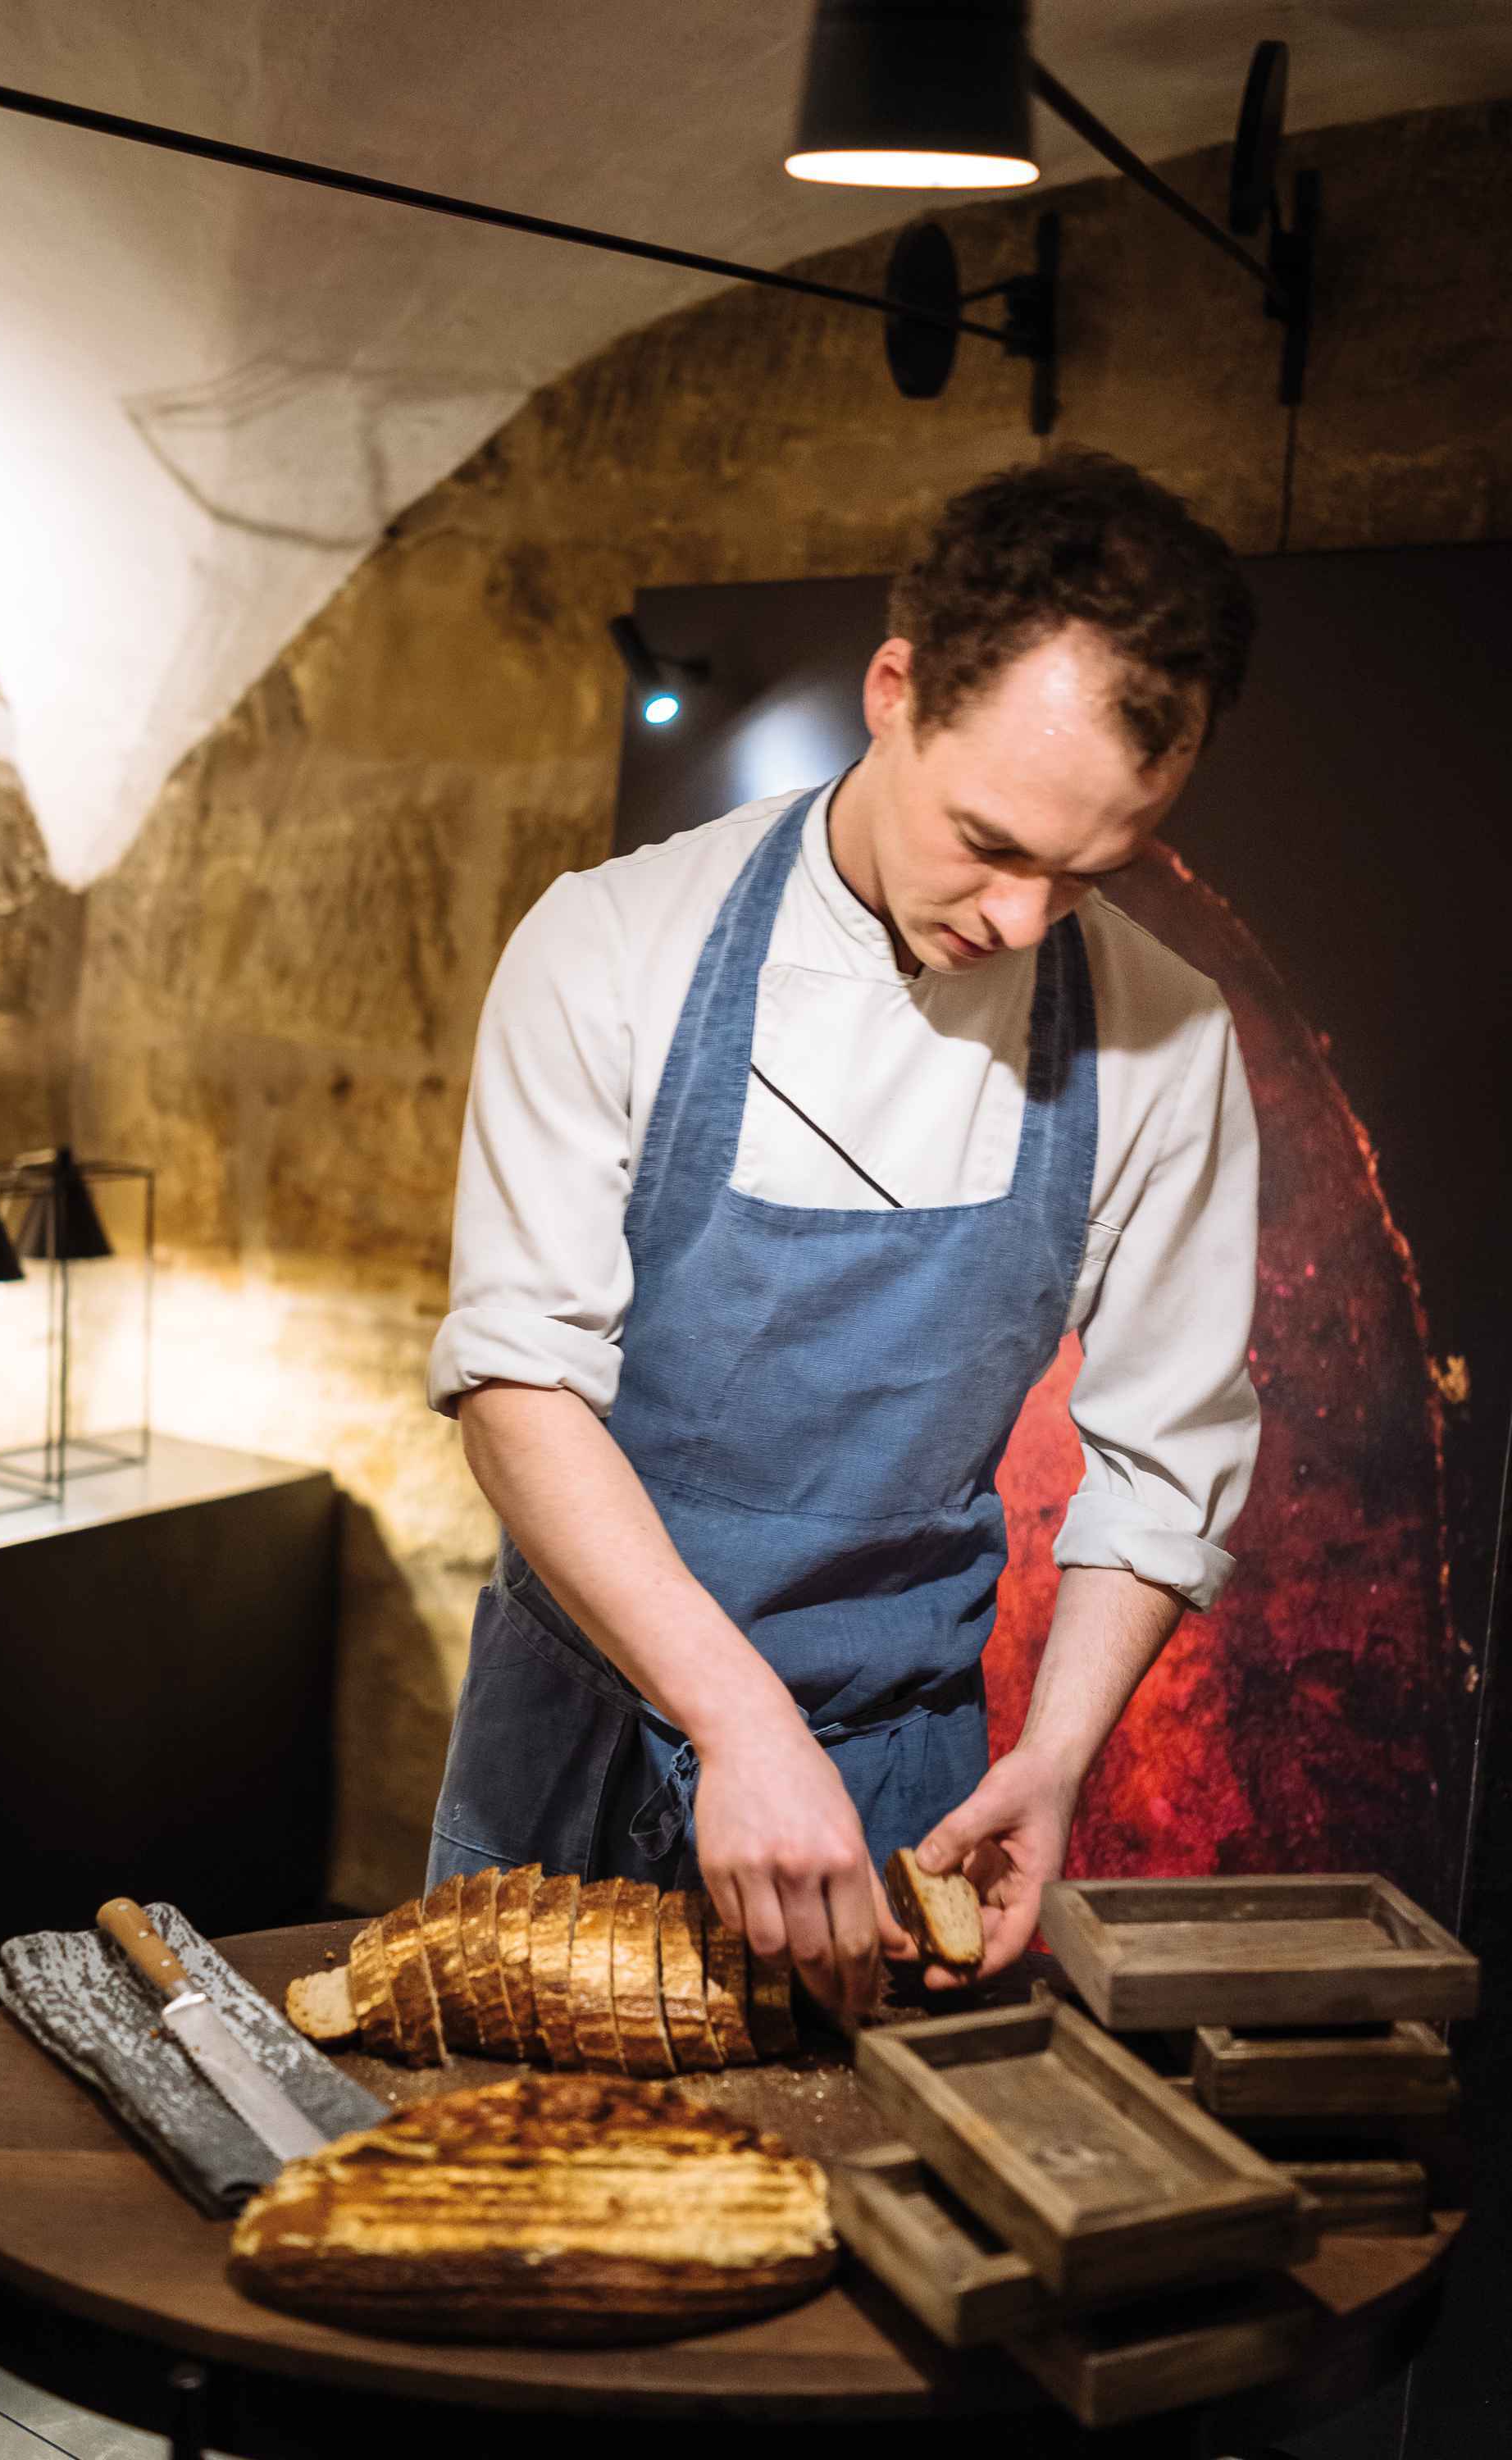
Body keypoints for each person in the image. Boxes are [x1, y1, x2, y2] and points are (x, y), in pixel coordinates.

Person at [425, 449, 1261, 2020]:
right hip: (575, 1757)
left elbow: (1162, 1462)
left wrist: (1058, 1759)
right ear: (894, 690)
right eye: (993, 842)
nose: (1018, 920)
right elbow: (518, 1388)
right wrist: (738, 1724)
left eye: (1089, 874)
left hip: (900, 1800)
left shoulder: (1169, 1037)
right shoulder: (612, 944)